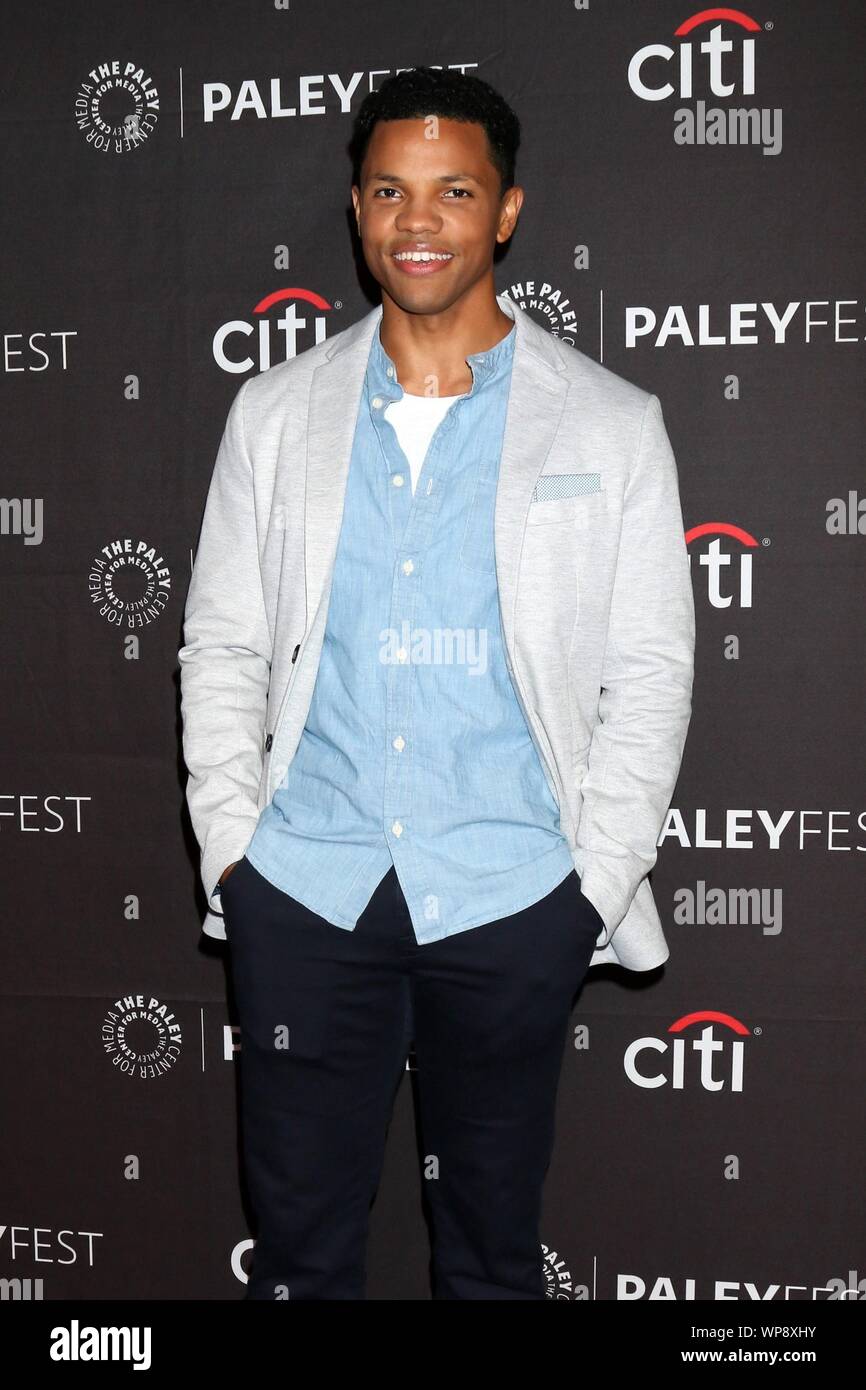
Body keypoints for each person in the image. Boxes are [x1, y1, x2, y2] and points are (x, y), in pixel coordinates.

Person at [178, 64, 695, 1300]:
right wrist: (234, 859)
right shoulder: (274, 415)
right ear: (356, 213)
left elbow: (650, 671)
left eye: (453, 191)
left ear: (504, 211)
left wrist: (588, 889)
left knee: (488, 1260)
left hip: (513, 899)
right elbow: (223, 645)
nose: (419, 222)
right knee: (301, 1258)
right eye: (389, 193)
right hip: (304, 893)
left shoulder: (611, 425)